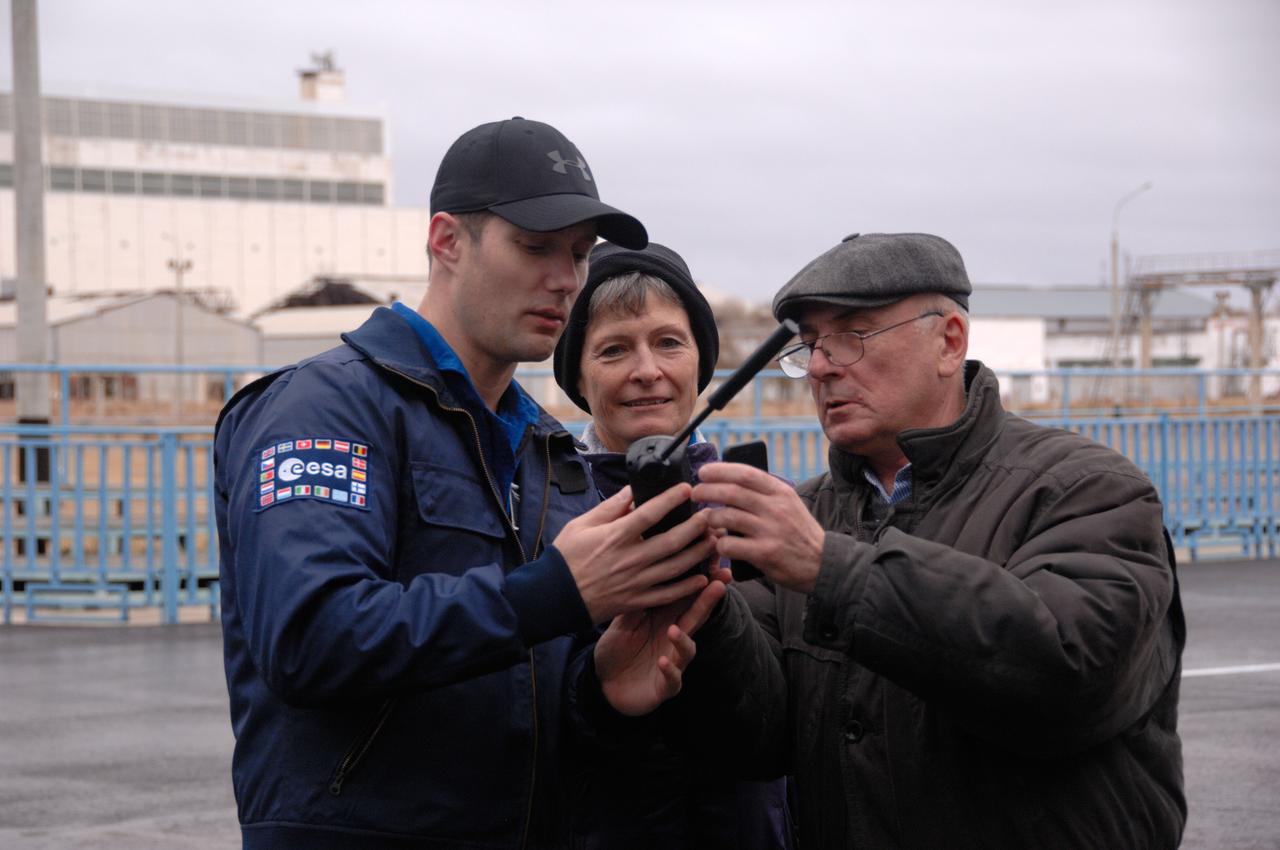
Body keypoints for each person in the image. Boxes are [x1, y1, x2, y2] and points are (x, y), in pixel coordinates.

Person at [212, 117, 719, 850]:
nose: (565, 280)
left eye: (578, 255)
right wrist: (554, 592)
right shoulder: (325, 408)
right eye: (536, 247)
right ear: (447, 241)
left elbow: (526, 687)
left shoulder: (548, 450)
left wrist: (600, 691)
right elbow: (310, 636)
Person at [641, 232, 1187, 848]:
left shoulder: (1085, 487)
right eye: (812, 343)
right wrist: (705, 612)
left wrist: (833, 572)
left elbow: (1068, 675)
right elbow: (761, 737)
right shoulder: (806, 513)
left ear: (949, 342)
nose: (822, 365)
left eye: (853, 334)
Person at [551, 241, 793, 849]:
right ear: (578, 375)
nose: (647, 371)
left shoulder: (769, 505)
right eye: (613, 349)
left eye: (668, 342)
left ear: (702, 363)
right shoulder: (541, 514)